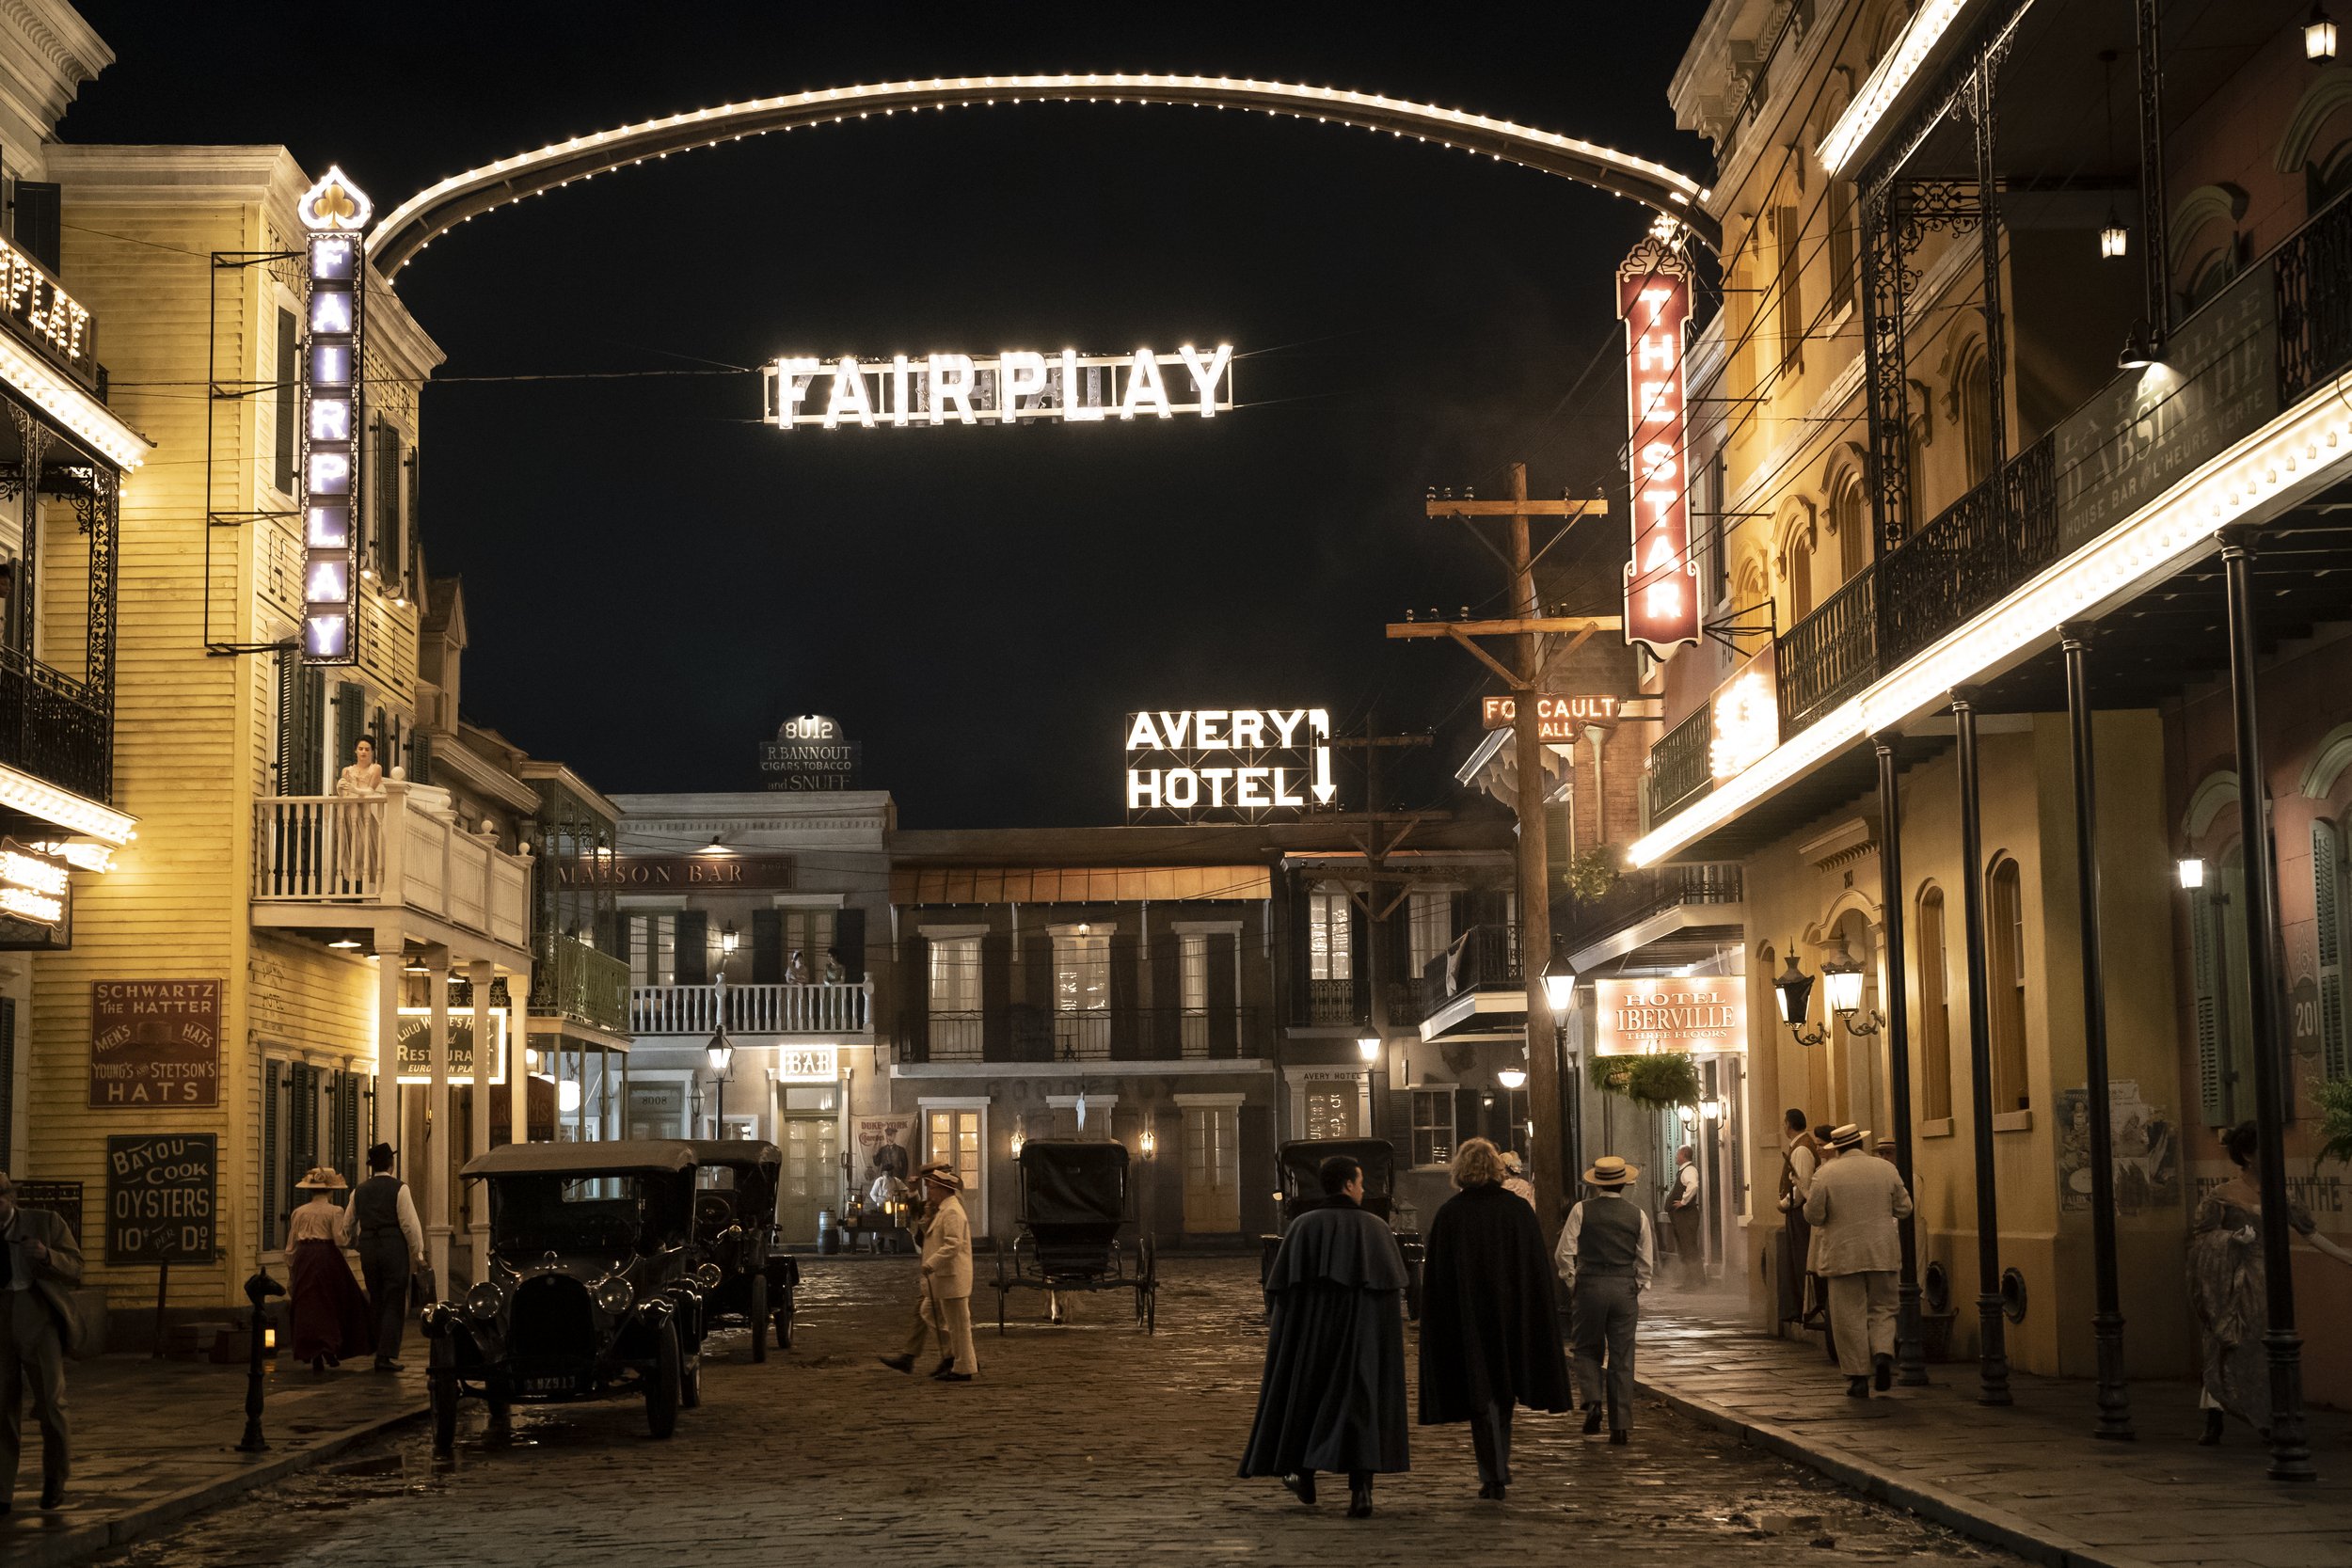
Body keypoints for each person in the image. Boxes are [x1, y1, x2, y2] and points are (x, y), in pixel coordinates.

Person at [1241, 1153, 1410, 1519]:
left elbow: (1282, 1294)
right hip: (1362, 1340)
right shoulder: (1375, 1229)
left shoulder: (1303, 1227)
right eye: (1361, 1183)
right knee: (1362, 1405)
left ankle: (1302, 1473)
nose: (1364, 1190)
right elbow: (1388, 1297)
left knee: (1306, 1396)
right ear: (1348, 1185)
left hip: (1313, 1340)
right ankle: (1361, 1491)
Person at [1417, 1137, 1574, 1500]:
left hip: (1468, 1317)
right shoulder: (1517, 1212)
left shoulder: (1450, 1214)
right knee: (1501, 1394)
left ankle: (1493, 1470)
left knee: (1482, 1395)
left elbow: (1437, 1280)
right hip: (1511, 1314)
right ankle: (1497, 1465)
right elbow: (1535, 1268)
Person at [2189, 1119, 2352, 1444]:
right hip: (2234, 1279)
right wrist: (2231, 1240)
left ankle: (2269, 1416)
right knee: (2228, 1342)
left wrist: (2345, 1256)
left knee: (2269, 1348)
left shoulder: (2282, 1192)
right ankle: (2214, 1415)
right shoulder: (2222, 1195)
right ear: (2248, 1155)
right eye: (2268, 1150)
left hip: (2272, 1280)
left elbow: (2309, 1231)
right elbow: (2202, 1237)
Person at [1804, 1124, 1914, 1398]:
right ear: (1861, 1144)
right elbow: (1905, 1208)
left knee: (1847, 1316)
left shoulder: (1825, 1173)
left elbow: (1815, 1216)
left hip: (1843, 1255)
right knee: (1884, 1309)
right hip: (1882, 1252)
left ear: (1836, 1147)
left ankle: (1858, 1376)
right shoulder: (1886, 1169)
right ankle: (1883, 1353)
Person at [1556, 1154, 1652, 1444]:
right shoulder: (1638, 1214)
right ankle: (1620, 1426)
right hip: (1623, 1287)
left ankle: (1594, 1401)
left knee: (1586, 1348)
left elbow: (1564, 1253)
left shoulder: (1581, 1210)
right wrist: (1637, 1284)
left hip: (1590, 1286)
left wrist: (1572, 1281)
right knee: (1622, 1356)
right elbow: (1646, 1260)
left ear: (1597, 1184)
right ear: (1625, 1183)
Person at [0, 1171, 81, 1513]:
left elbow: (76, 1267)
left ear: (10, 1199)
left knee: (50, 1401)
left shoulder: (45, 1222)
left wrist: (48, 1255)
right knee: (1, 1407)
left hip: (38, 1314)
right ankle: (2, 1492)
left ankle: (55, 1477)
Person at [878, 1164, 977, 1381]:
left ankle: (962, 1365)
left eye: (931, 1187)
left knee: (958, 1324)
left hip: (948, 1275)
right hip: (941, 1276)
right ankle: (954, 1357)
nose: (928, 1192)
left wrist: (932, 1262)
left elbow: (953, 1244)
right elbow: (918, 1215)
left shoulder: (951, 1208)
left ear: (942, 1188)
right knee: (929, 1312)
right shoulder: (942, 1207)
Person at [286, 1167, 373, 1375]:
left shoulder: (299, 1212)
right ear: (331, 1191)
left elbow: (292, 1245)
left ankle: (316, 1350)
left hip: (304, 1258)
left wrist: (292, 1272)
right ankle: (329, 1346)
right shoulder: (335, 1211)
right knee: (331, 1302)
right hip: (326, 1258)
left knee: (309, 1304)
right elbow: (340, 1240)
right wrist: (353, 1240)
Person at [350, 1144, 425, 1371]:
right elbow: (409, 1224)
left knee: (377, 1297)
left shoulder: (359, 1191)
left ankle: (376, 1346)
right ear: (391, 1165)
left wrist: (356, 1244)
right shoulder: (400, 1189)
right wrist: (418, 1253)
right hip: (392, 1246)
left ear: (372, 1167)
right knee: (394, 1298)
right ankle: (385, 1354)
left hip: (369, 1247)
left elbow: (347, 1225)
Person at [1777, 1109, 1824, 1327]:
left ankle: (1801, 1307)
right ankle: (1797, 1307)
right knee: (1795, 1260)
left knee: (1799, 1259)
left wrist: (1785, 1204)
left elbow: (1802, 1184)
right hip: (1798, 1212)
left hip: (1800, 1214)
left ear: (1789, 1124)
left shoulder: (1802, 1149)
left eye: (1784, 1123)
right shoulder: (1800, 1146)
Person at [334, 737, 387, 890]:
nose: (363, 752)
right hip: (348, 812)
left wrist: (355, 790)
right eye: (361, 748)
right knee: (347, 848)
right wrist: (340, 788)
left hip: (364, 814)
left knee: (361, 850)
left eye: (367, 749)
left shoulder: (375, 769)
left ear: (372, 751)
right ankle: (349, 887)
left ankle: (359, 889)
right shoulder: (347, 771)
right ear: (355, 750)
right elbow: (343, 794)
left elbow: (370, 791)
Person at [1664, 1145, 1703, 1288]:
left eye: (1677, 1154)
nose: (1675, 1156)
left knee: (1689, 1247)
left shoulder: (1689, 1170)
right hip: (1681, 1217)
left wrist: (1684, 1202)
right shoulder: (1684, 1171)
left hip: (1687, 1216)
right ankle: (1689, 1280)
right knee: (1684, 1248)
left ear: (1683, 1155)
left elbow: (1693, 1186)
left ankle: (1696, 1281)